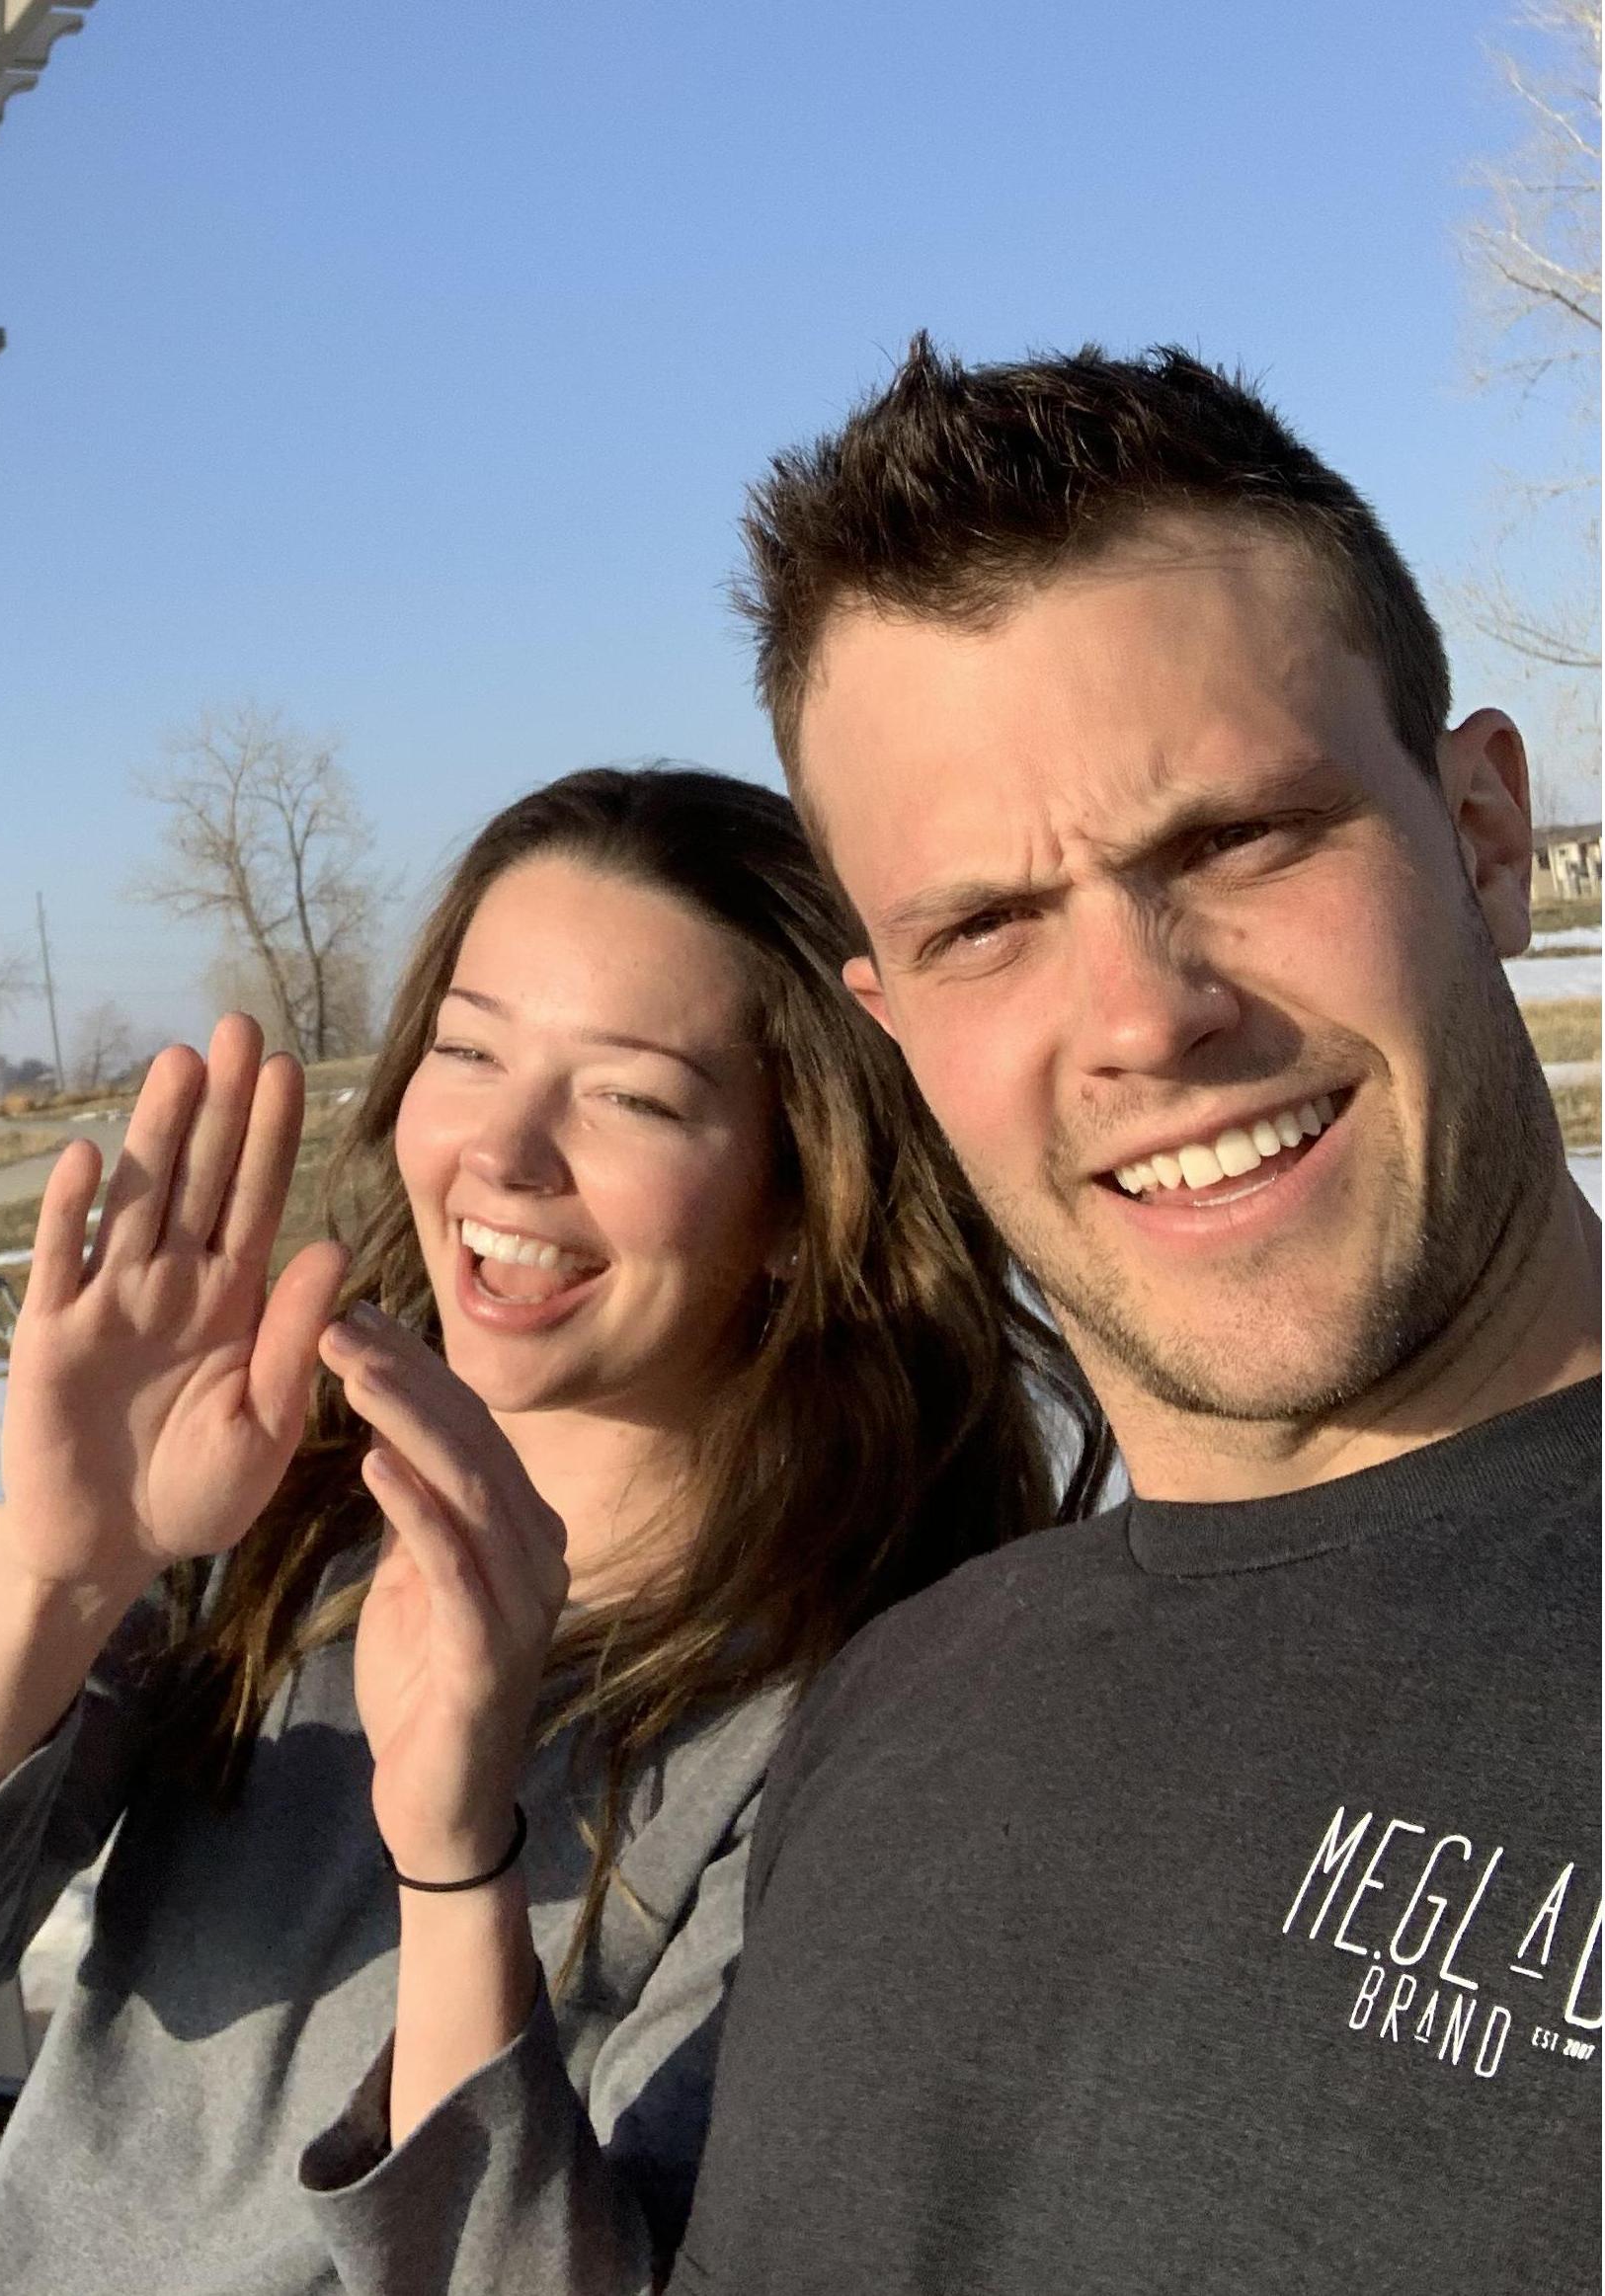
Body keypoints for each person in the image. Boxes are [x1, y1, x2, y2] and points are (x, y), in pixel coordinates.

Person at [0, 765, 1106, 2295]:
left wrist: (457, 1858)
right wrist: (61, 1563)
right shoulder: (278, 1502)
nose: (505, 1150)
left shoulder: (849, 1728)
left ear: (801, 1197)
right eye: (468, 1049)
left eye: (630, 1094)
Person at [673, 340, 1602, 2293]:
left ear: (1480, 834)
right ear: (891, 1026)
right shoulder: (888, 1712)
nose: (1140, 1016)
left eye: (1235, 838)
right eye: (982, 926)